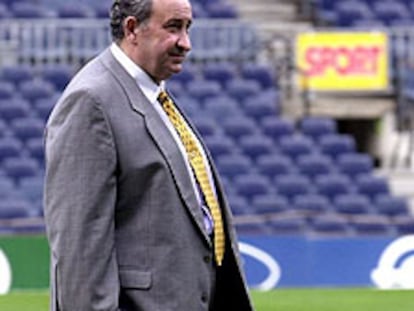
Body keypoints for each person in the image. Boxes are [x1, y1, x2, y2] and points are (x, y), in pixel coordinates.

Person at [43, 0, 255, 310]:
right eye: (173, 28)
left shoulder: (153, 94)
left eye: (187, 29)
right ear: (132, 29)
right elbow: (79, 248)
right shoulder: (91, 101)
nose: (186, 43)